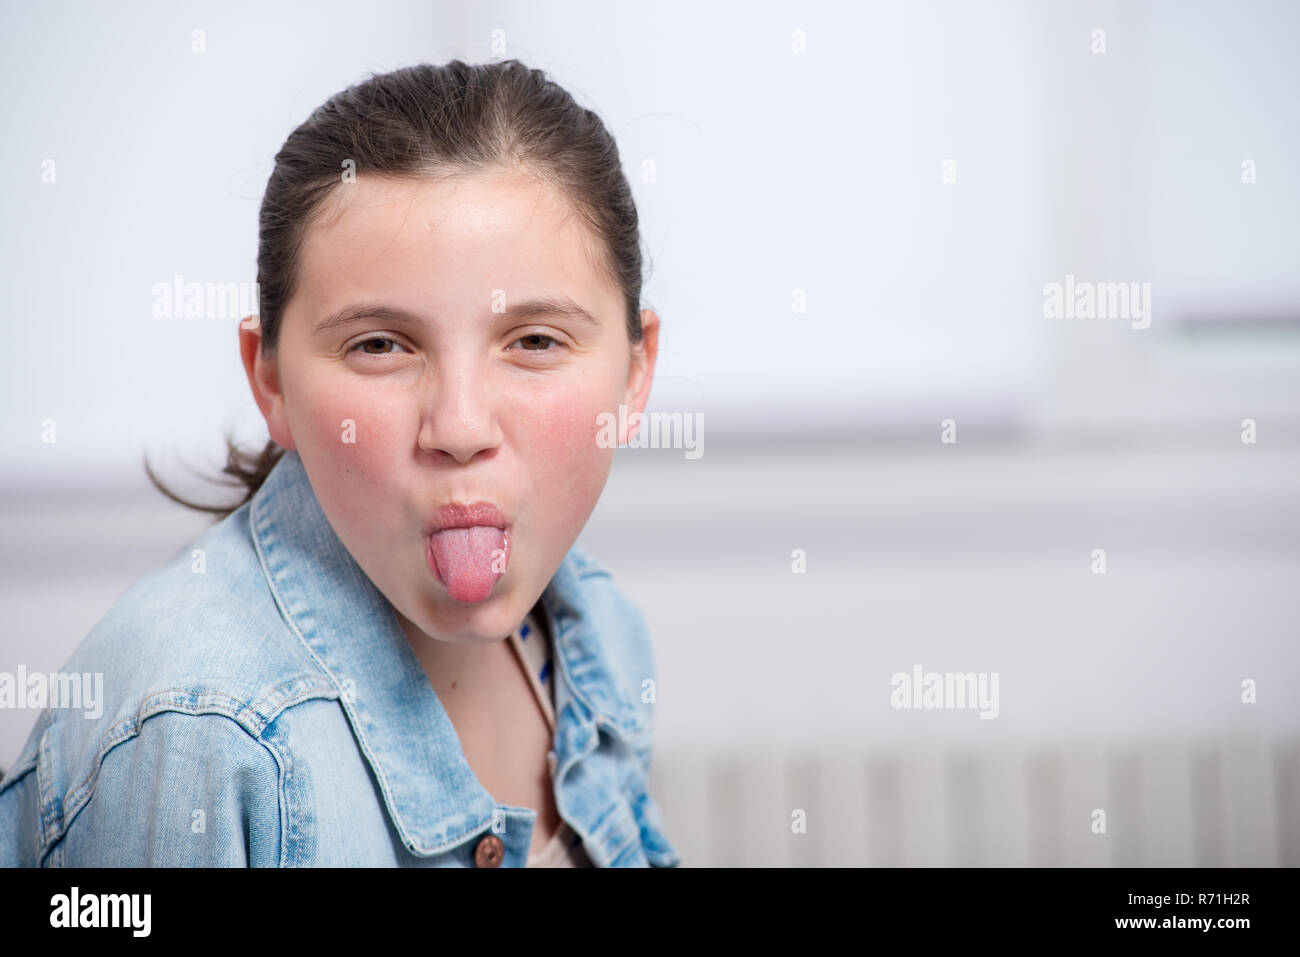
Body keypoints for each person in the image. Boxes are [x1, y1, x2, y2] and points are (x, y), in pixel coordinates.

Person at [0, 59, 680, 867]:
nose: (459, 427)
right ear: (273, 378)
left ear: (635, 373)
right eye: (381, 345)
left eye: (534, 341)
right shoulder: (198, 737)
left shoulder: (599, 631)